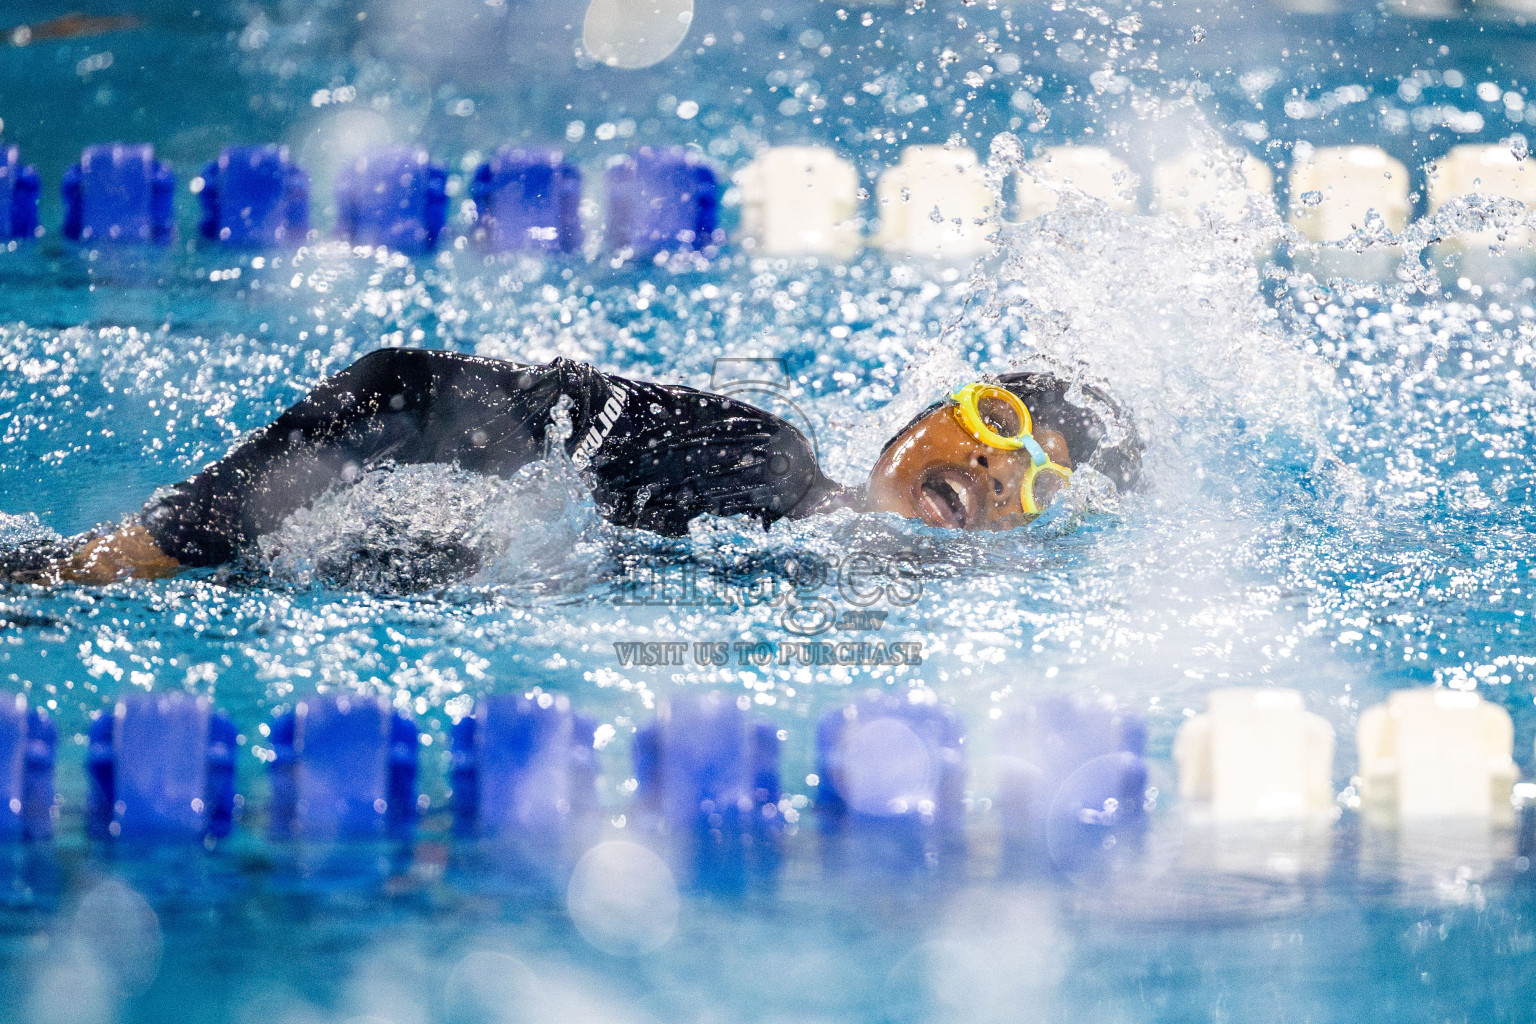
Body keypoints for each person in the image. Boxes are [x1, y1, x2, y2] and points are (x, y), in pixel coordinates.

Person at [14, 347, 1141, 585]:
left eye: (1041, 482)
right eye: (1001, 425)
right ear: (921, 420)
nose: (1005, 474)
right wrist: (138, 553)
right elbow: (407, 388)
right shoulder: (762, 470)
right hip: (320, 576)